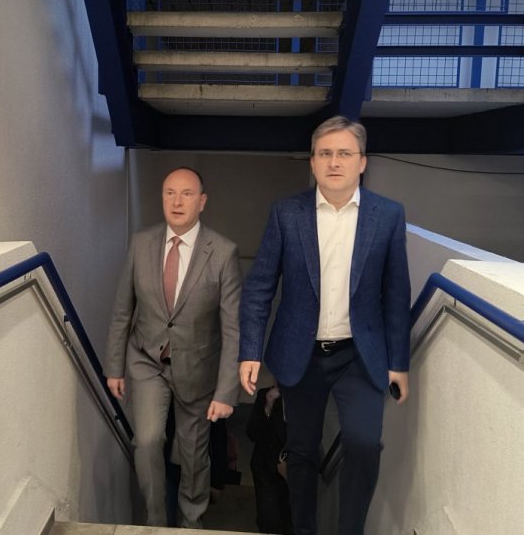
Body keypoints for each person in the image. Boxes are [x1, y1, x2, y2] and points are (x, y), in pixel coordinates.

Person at [238, 116, 411, 535]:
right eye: (325, 153)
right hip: (302, 354)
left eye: (344, 153)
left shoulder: (387, 216)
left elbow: (396, 293)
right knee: (301, 451)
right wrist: (250, 350)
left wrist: (399, 363)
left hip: (359, 355)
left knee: (363, 444)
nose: (335, 162)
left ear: (362, 162)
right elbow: (260, 286)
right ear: (313, 162)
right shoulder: (286, 214)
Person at [104, 166, 242, 528]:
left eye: (186, 194)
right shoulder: (141, 244)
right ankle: (155, 522)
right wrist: (114, 367)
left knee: (193, 453)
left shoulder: (223, 252)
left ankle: (190, 523)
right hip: (147, 360)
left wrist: (226, 391)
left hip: (198, 367)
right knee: (148, 441)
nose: (177, 201)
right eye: (169, 193)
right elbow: (122, 310)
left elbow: (232, 328)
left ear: (202, 202)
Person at [246, 384, 293, 535]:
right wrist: (268, 407)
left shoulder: (306, 396)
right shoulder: (265, 395)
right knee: (269, 520)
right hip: (267, 466)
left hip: (295, 468)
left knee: (293, 520)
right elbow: (252, 433)